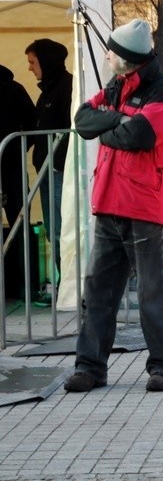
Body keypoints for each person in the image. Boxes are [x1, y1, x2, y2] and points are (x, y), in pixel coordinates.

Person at [65, 19, 163, 393]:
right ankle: (90, 367)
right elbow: (83, 119)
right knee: (98, 292)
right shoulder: (117, 86)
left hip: (145, 207)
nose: (106, 56)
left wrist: (112, 124)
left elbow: (139, 136)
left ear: (127, 59)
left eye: (111, 52)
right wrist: (120, 119)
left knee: (154, 293)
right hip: (108, 203)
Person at [25, 38, 74, 306]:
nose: (31, 68)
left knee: (59, 229)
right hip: (47, 169)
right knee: (52, 229)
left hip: (57, 170)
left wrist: (57, 161)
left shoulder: (66, 88)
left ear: (46, 62)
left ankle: (69, 285)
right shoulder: (47, 91)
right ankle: (63, 282)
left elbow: (69, 127)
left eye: (33, 62)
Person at [0, 64, 37, 300]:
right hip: (12, 164)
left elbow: (33, 124)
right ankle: (27, 286)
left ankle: (23, 286)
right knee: (20, 222)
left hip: (11, 164)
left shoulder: (14, 89)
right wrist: (18, 149)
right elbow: (33, 123)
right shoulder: (15, 88)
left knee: (20, 222)